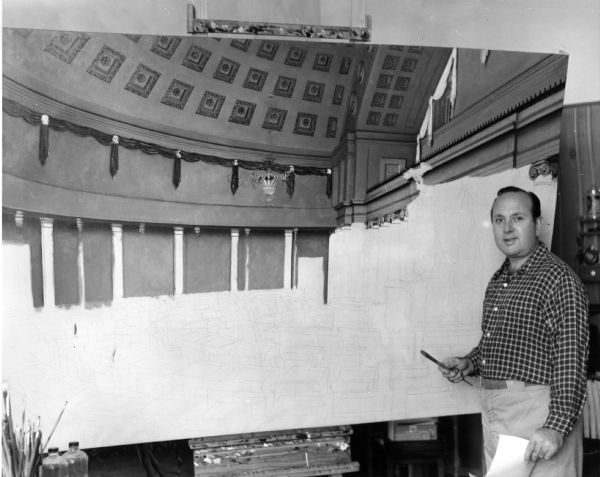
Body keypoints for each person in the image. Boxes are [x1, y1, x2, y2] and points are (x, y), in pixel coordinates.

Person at [440, 186, 589, 476]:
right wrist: (470, 362)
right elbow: (498, 343)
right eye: (499, 220)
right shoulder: (499, 281)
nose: (507, 228)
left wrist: (556, 427)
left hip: (540, 416)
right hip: (498, 412)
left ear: (537, 224)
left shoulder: (559, 280)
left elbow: (570, 360)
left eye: (518, 218)